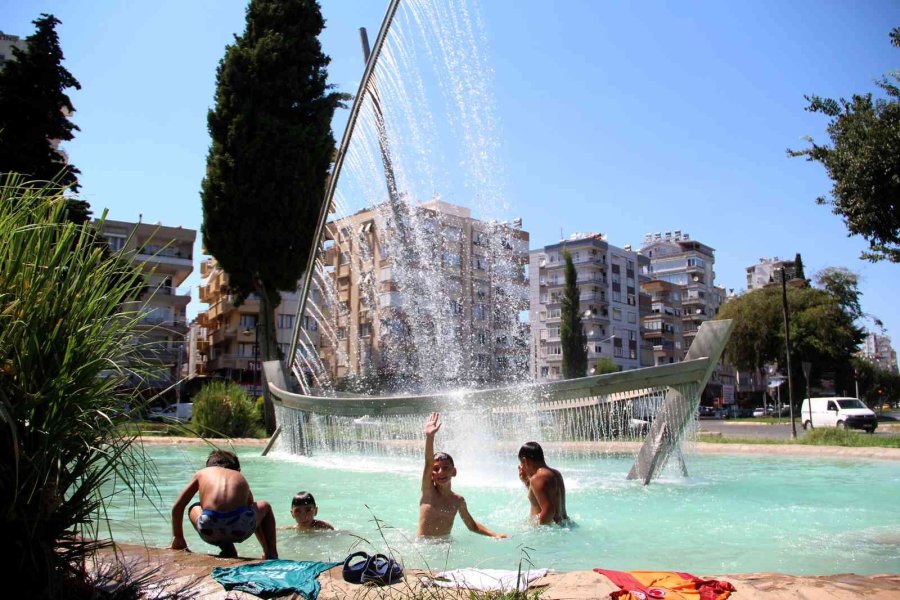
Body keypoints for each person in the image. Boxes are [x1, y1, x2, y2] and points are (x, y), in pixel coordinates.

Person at [170, 449, 278, 559]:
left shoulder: (202, 473)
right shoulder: (238, 475)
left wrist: (178, 536)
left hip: (209, 529)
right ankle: (270, 553)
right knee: (264, 506)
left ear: (207, 467)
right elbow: (250, 507)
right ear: (238, 470)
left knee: (195, 507)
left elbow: (178, 506)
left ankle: (228, 549)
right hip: (240, 529)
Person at [417, 412, 507, 539]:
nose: (440, 472)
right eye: (436, 469)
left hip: (445, 545)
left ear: (454, 472)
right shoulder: (428, 491)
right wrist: (430, 436)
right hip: (423, 545)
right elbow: (428, 462)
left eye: (445, 468)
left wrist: (495, 535)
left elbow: (472, 526)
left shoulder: (458, 501)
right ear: (431, 474)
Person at [518, 441, 569, 525]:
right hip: (564, 524)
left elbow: (549, 511)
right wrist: (526, 482)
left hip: (550, 530)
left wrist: (536, 529)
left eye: (521, 464)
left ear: (525, 461)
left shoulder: (537, 478)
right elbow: (539, 499)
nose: (522, 468)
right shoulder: (556, 474)